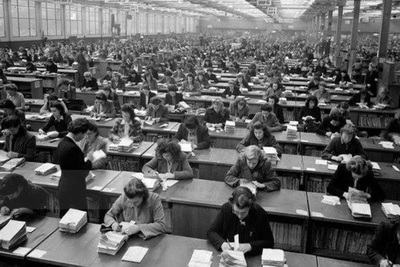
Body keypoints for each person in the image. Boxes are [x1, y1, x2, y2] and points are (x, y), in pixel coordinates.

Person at [207, 187, 274, 256]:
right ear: (232, 205)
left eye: (244, 212)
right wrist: (223, 244)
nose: (240, 216)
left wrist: (250, 246)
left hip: (250, 256)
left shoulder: (260, 213)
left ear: (250, 207)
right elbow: (211, 232)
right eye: (236, 212)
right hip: (228, 254)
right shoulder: (226, 209)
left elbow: (269, 242)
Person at [57, 118, 92, 217]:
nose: (84, 137)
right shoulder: (73, 148)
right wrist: (89, 160)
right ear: (80, 132)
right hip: (74, 189)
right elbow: (82, 172)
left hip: (64, 185)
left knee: (66, 218)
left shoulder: (62, 143)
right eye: (84, 134)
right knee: (78, 220)